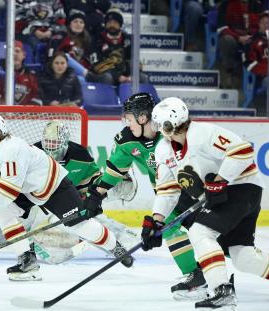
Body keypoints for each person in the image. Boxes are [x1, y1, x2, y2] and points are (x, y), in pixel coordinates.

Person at [144, 97, 269, 311]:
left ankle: (223, 294)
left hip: (242, 188)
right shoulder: (163, 151)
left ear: (168, 125)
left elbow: (242, 151)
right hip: (228, 196)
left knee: (200, 231)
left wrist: (221, 180)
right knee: (243, 257)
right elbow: (168, 190)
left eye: (159, 124)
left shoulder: (202, 133)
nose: (157, 129)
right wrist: (156, 220)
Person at [0, 114, 133, 281]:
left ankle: (115, 247)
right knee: (1, 211)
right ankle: (27, 262)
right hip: (26, 191)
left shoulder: (11, 149)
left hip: (53, 185)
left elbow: (7, 189)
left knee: (79, 225)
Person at [83, 93, 207, 300]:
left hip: (195, 191)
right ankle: (195, 276)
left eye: (129, 118)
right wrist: (96, 194)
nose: (126, 123)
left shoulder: (170, 131)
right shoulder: (127, 140)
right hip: (166, 195)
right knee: (169, 229)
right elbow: (115, 171)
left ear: (142, 118)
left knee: (222, 239)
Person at [216, 0, 264, 89]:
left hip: (252, 37)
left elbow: (262, 25)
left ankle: (259, 78)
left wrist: (252, 37)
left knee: (262, 42)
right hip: (234, 36)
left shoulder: (257, 4)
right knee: (227, 40)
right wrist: (239, 37)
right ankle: (228, 71)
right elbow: (222, 28)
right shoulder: (226, 4)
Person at [86, 8, 132, 85]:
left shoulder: (127, 39)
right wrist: (117, 76)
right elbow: (96, 65)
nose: (112, 25)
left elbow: (131, 60)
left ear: (120, 24)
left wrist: (131, 75)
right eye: (109, 22)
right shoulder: (97, 39)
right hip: (104, 74)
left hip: (124, 74)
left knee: (142, 77)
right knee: (107, 77)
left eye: (115, 22)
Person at [0, 40, 41, 106]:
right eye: (11, 52)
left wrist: (27, 109)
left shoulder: (32, 76)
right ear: (6, 55)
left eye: (17, 51)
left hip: (25, 115)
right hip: (2, 114)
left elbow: (37, 99)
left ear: (24, 55)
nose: (14, 54)